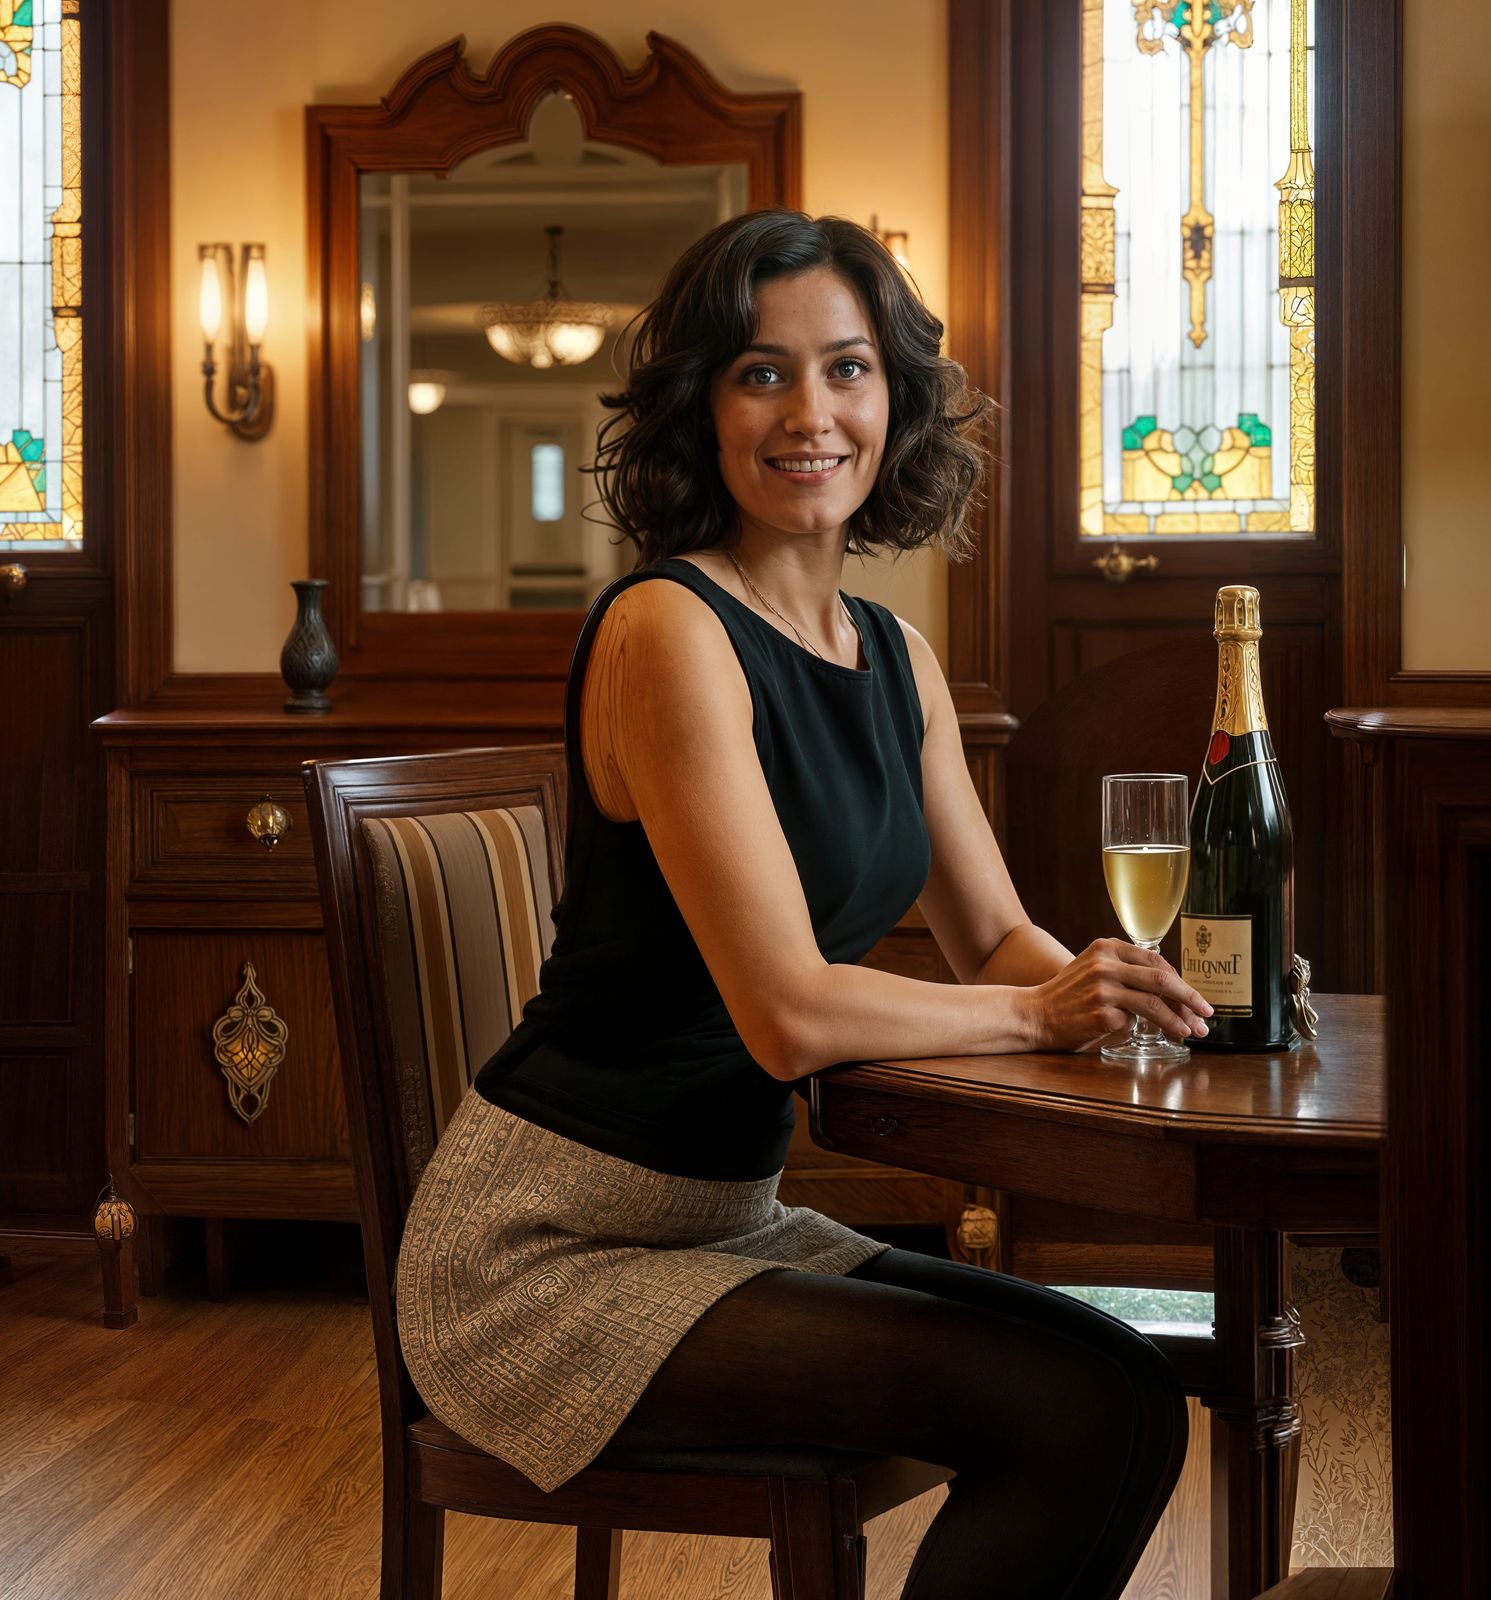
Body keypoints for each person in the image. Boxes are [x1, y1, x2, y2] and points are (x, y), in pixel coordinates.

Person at [394, 210, 1212, 1598]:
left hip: (725, 1225)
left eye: (847, 370)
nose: (811, 412)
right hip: (541, 1262)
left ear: (894, 401)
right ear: (699, 409)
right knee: (1076, 1412)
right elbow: (785, 1015)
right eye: (762, 374)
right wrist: (1037, 1009)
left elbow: (997, 940)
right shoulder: (670, 631)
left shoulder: (896, 655)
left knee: (1117, 1380)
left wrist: (1121, 987)